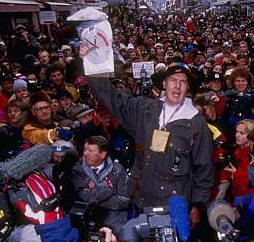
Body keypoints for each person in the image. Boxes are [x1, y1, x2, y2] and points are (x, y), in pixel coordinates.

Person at [87, 60, 213, 229]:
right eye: (173, 80)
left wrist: (197, 206)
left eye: (183, 81)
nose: (177, 86)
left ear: (188, 87)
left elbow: (204, 168)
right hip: (141, 200)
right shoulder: (144, 109)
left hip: (175, 204)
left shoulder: (197, 123)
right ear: (163, 83)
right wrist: (94, 62)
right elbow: (112, 98)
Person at [69, 136, 131, 231]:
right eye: (85, 149)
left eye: (90, 150)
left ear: (102, 154)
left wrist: (95, 194)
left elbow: (125, 200)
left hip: (115, 221)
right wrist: (109, 190)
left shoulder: (118, 170)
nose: (85, 153)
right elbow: (85, 197)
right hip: (86, 221)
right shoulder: (77, 170)